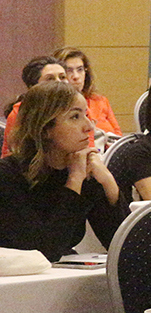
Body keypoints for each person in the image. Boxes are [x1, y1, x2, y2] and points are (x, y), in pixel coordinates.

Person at [0, 80, 123, 261]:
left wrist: (109, 183)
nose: (89, 126)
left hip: (60, 272)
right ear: (45, 129)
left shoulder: (84, 169)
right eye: (75, 117)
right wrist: (74, 182)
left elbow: (124, 248)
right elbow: (44, 251)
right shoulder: (8, 175)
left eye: (86, 115)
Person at [2, 57, 68, 156]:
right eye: (50, 78)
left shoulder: (77, 108)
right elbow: (13, 155)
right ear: (33, 87)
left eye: (62, 77)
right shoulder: (20, 113)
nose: (59, 82)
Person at [55, 46, 121, 137]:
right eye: (69, 71)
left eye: (80, 69)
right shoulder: (56, 107)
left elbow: (118, 136)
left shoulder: (100, 101)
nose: (76, 76)